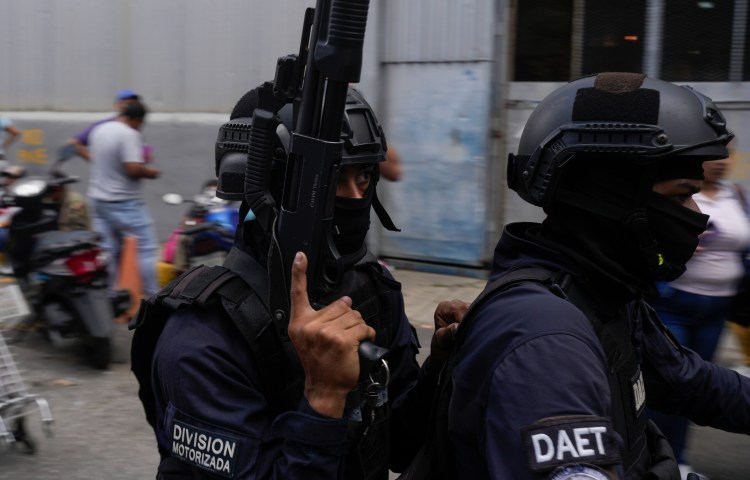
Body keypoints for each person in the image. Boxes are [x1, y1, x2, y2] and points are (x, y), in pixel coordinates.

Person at [429, 72, 750, 480]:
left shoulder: (604, 294)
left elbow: (688, 381)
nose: (697, 217)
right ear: (612, 201)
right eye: (681, 195)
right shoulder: (547, 338)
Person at [131, 85, 460, 479]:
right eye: (335, 179)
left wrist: (440, 365)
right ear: (267, 187)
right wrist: (324, 398)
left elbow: (401, 445)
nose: (356, 197)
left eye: (365, 177)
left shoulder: (371, 289)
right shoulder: (200, 341)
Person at [644, 138, 750, 477]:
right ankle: (657, 460)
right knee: (675, 384)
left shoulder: (737, 195)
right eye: (713, 156)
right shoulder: (678, 192)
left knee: (698, 389)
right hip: (675, 305)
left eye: (727, 155)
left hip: (717, 311)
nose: (721, 162)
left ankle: (681, 459)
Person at [87, 101, 161, 297]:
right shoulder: (129, 134)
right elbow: (133, 168)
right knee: (146, 248)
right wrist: (151, 172)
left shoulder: (99, 129)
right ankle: (154, 296)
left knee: (108, 250)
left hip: (98, 199)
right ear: (137, 120)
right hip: (124, 202)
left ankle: (111, 296)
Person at [67, 89, 140, 161]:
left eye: (134, 104)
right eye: (127, 103)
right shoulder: (103, 125)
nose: (131, 107)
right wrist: (94, 160)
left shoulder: (136, 124)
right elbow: (72, 143)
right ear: (117, 105)